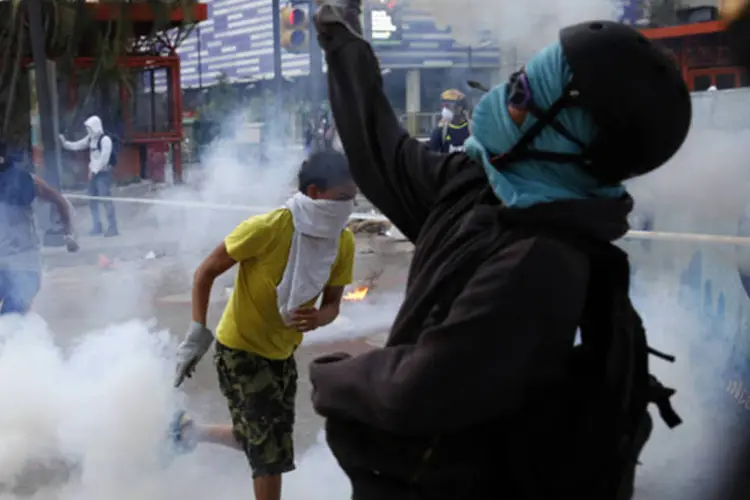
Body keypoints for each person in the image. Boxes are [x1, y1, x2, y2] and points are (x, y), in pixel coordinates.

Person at [309, 5, 691, 499]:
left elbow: (419, 392)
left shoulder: (541, 264)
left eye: (519, 95)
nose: (494, 99)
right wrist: (343, 40)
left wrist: (338, 373)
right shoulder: (483, 188)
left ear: (567, 139)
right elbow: (381, 154)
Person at [170, 150, 357, 500]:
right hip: (240, 350)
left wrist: (320, 317)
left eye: (353, 199)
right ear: (315, 193)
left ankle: (188, 432)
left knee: (263, 438)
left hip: (281, 352)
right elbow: (206, 271)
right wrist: (197, 332)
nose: (348, 207)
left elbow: (333, 303)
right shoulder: (269, 228)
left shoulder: (341, 242)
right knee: (269, 453)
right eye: (343, 198)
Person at [0, 143, 78, 316]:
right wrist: (69, 234)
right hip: (22, 264)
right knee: (12, 321)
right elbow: (60, 201)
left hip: (23, 264)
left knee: (11, 320)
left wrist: (69, 234)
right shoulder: (27, 180)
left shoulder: (24, 180)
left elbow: (60, 201)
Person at [58, 115, 119, 237]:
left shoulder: (105, 140)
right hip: (93, 174)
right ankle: (97, 226)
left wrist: (94, 171)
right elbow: (78, 145)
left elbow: (104, 159)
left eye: (90, 128)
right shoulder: (91, 139)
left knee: (105, 200)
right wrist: (65, 143)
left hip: (103, 174)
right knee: (92, 201)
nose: (88, 131)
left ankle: (113, 227)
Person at [427, 88, 471, 154]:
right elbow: (431, 156)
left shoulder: (473, 130)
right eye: (443, 106)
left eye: (448, 106)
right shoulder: (440, 130)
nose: (445, 110)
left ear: (460, 108)